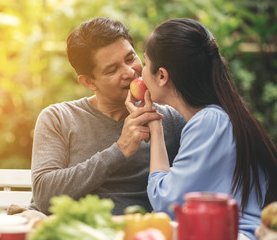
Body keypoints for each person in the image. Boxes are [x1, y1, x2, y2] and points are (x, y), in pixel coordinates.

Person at [125, 18, 277, 239]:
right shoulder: (218, 117)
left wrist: (155, 130)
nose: (140, 74)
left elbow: (166, 202)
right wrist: (155, 123)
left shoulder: (210, 123)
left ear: (162, 76)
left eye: (146, 64)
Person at [29, 17, 186, 215]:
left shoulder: (167, 118)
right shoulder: (58, 118)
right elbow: (44, 196)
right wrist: (119, 150)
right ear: (89, 82)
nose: (130, 72)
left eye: (130, 58)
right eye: (112, 70)